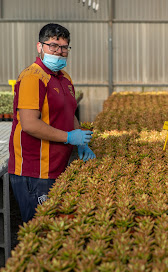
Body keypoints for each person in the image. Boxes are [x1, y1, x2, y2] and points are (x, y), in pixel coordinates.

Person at [8, 23, 96, 222]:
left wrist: (80, 139)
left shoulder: (64, 77)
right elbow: (29, 124)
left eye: (64, 47)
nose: (59, 52)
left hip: (56, 166)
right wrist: (68, 137)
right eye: (53, 46)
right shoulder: (33, 77)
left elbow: (69, 112)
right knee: (40, 229)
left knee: (53, 228)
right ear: (40, 47)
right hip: (36, 171)